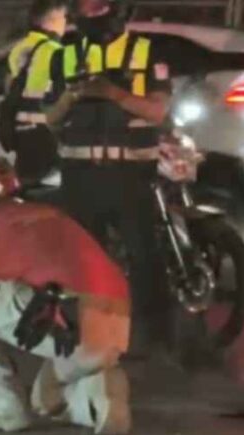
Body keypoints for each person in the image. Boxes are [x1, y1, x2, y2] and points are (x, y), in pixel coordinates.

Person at [0, 153, 133, 435]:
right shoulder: (50, 214)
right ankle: (97, 398)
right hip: (115, 329)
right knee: (45, 399)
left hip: (73, 324)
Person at [43, 0, 172, 356]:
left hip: (130, 174)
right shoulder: (64, 55)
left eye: (97, 7)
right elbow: (50, 118)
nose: (91, 13)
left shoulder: (147, 52)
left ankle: (154, 339)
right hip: (81, 177)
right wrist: (72, 95)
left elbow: (158, 110)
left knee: (145, 256)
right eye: (85, 8)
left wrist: (112, 93)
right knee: (85, 262)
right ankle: (92, 337)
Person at [4, 0, 68, 181]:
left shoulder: (17, 50)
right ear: (50, 21)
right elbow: (66, 94)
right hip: (46, 133)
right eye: (62, 17)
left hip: (22, 132)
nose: (64, 22)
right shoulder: (56, 51)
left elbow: (9, 89)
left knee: (26, 184)